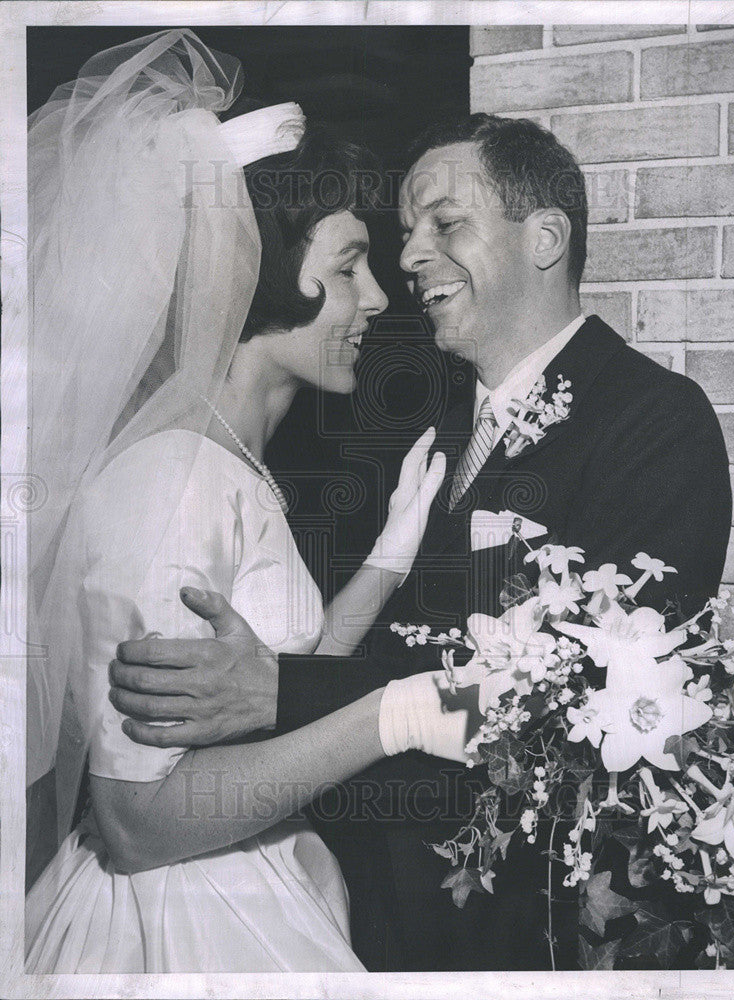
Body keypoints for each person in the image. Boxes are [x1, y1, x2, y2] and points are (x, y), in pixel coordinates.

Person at [109, 114, 733, 969]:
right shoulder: (419, 430)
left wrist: (276, 691)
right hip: (365, 915)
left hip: (519, 933)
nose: (406, 260)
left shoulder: (654, 422)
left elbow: (575, 701)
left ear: (545, 237)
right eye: (405, 235)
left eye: (445, 224)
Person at [24, 29, 475, 974]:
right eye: (349, 266)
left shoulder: (225, 464)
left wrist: (386, 560)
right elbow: (140, 817)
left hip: (253, 888)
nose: (380, 299)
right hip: (181, 927)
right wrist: (388, 715)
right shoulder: (169, 481)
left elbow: (263, 688)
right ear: (265, 264)